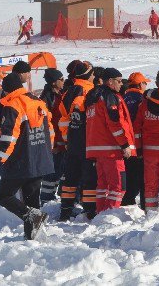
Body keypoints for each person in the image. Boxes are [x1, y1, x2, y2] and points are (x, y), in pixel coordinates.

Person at [0, 73, 53, 240]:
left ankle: (32, 219)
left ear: (7, 90)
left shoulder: (13, 105)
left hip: (20, 160)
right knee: (32, 202)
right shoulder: (38, 102)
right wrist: (47, 152)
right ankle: (32, 239)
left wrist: (0, 159)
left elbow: (9, 137)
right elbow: (50, 130)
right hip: (39, 158)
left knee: (4, 196)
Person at [86, 68, 136, 214]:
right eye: (119, 81)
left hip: (97, 149)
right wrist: (124, 144)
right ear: (110, 81)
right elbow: (115, 123)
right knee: (118, 186)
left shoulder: (93, 97)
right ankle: (110, 214)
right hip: (111, 150)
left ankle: (101, 213)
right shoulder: (110, 97)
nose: (121, 84)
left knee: (103, 186)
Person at [58, 61, 97, 221]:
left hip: (73, 140)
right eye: (93, 73)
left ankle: (65, 209)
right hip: (86, 139)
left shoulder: (68, 91)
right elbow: (85, 112)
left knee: (70, 177)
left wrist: (68, 138)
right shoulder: (87, 90)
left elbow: (63, 118)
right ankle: (89, 211)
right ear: (88, 74)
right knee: (89, 177)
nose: (94, 76)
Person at [134, 70, 159, 212]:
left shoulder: (145, 103)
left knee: (150, 183)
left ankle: (150, 211)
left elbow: (137, 127)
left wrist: (138, 148)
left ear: (156, 83)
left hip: (149, 150)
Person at [121, 72, 150, 208]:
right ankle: (145, 204)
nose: (146, 85)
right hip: (138, 145)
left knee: (129, 175)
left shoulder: (122, 98)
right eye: (145, 83)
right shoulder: (142, 99)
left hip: (124, 144)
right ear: (140, 84)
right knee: (143, 177)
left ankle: (127, 202)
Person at [40, 68, 66, 205]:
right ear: (54, 82)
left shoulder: (59, 94)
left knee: (59, 171)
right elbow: (47, 124)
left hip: (61, 140)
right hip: (54, 142)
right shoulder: (46, 98)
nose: (63, 81)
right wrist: (53, 144)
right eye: (61, 79)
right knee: (52, 173)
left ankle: (51, 198)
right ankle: (46, 199)